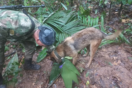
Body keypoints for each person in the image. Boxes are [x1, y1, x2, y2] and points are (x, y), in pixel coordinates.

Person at [0, 9, 56, 88]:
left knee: (30, 47)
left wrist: (56, 54)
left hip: (20, 33)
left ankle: (27, 64)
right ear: (38, 40)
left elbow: (49, 44)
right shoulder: (15, 26)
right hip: (2, 28)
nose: (44, 46)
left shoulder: (41, 29)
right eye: (44, 45)